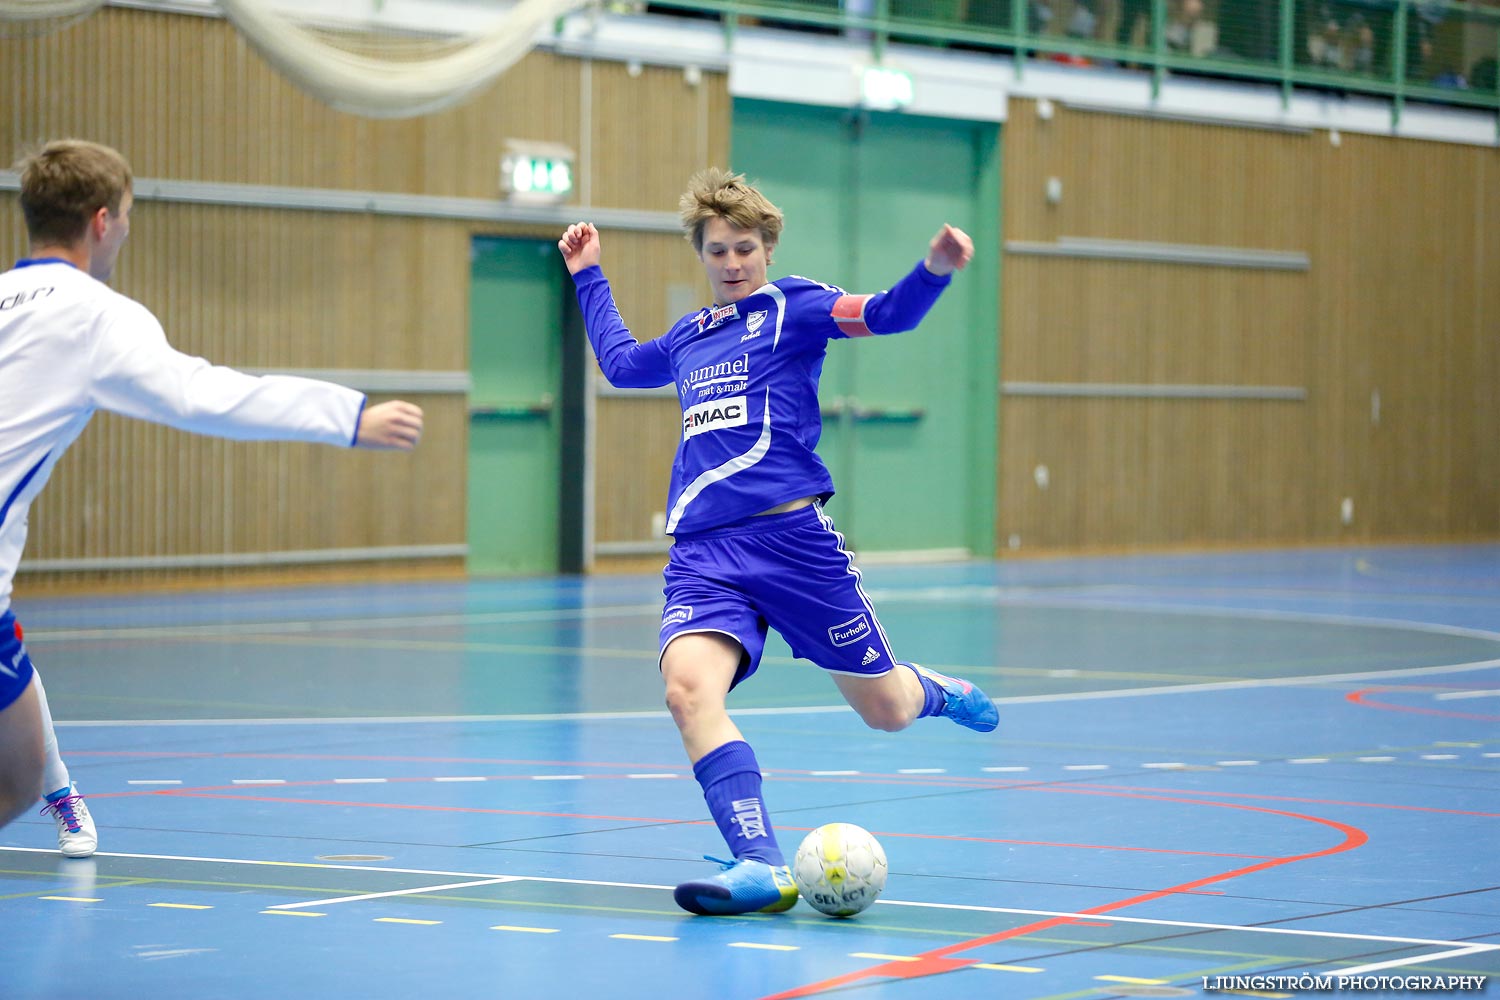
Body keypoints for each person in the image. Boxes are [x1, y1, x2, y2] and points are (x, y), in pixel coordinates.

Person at [558, 168, 997, 917]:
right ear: (702, 256)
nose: (731, 263)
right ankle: (758, 863)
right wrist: (587, 274)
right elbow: (623, 365)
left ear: (767, 248)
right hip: (703, 555)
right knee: (687, 691)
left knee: (885, 710)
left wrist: (934, 272)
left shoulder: (796, 307)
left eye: (745, 248)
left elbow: (888, 315)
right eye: (718, 251)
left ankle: (932, 689)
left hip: (792, 544)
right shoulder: (693, 335)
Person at [0, 139, 425, 849]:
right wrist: (348, 417)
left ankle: (61, 785)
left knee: (12, 659)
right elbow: (205, 397)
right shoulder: (97, 316)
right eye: (129, 216)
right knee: (10, 782)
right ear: (102, 222)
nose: (128, 231)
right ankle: (50, 786)